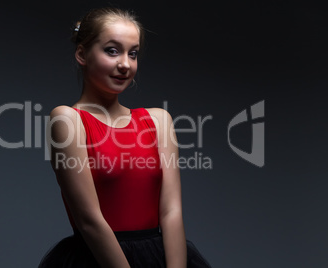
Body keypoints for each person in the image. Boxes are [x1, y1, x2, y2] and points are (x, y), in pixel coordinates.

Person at [39, 7, 212, 268]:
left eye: (133, 54)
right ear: (82, 54)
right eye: (112, 50)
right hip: (100, 259)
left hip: (161, 258)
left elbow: (171, 211)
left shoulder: (158, 120)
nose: (125, 64)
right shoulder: (67, 120)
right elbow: (89, 219)